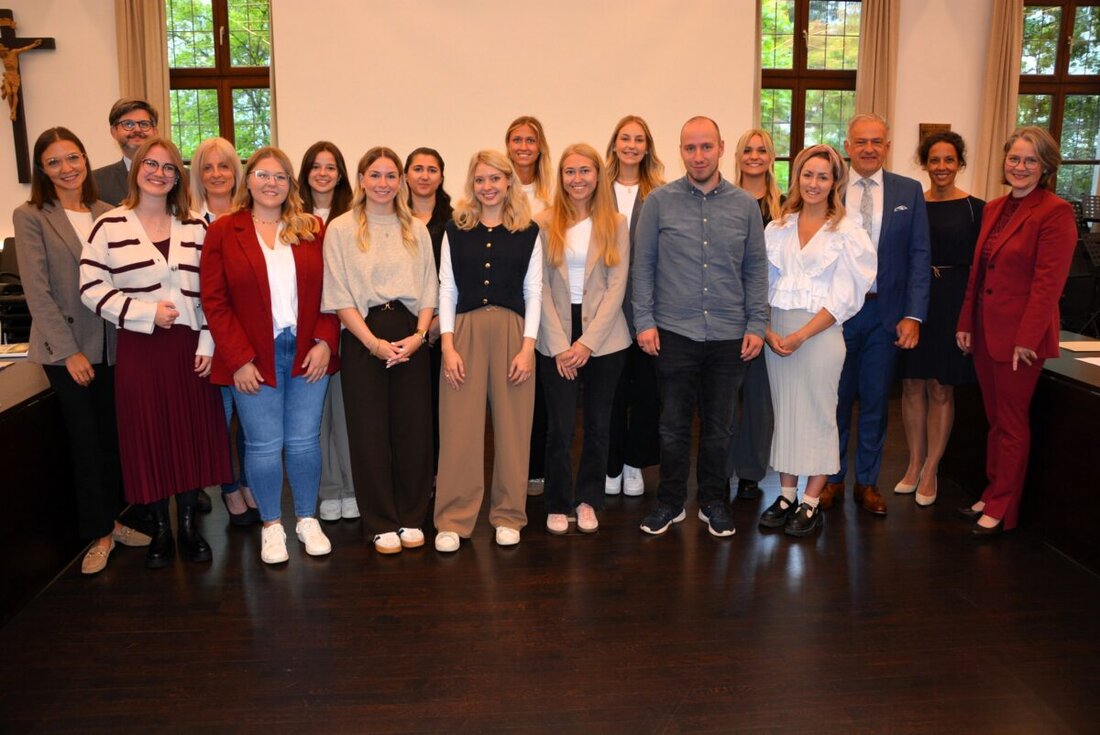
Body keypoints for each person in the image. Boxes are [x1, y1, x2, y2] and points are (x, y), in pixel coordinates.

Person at [79, 136, 229, 569]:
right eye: (151, 164)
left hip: (190, 348)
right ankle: (160, 530)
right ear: (136, 170)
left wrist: (208, 343)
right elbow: (90, 288)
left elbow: (212, 292)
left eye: (168, 167)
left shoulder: (196, 227)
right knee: (150, 437)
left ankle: (187, 526)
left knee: (188, 436)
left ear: (177, 177)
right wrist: (143, 312)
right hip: (140, 350)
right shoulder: (109, 225)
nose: (160, 173)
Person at [13, 127, 151, 575]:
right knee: (86, 442)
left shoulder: (107, 211)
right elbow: (37, 291)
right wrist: (69, 351)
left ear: (86, 161)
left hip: (114, 344)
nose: (66, 168)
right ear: (42, 170)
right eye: (54, 162)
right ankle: (99, 534)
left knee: (113, 439)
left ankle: (113, 518)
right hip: (67, 350)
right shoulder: (32, 215)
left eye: (73, 158)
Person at [201, 146, 339, 564]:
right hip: (251, 356)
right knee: (262, 446)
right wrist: (239, 358)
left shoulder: (312, 227)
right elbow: (214, 300)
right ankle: (271, 526)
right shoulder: (225, 230)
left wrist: (325, 341)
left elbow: (334, 292)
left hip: (306, 350)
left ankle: (305, 519)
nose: (271, 183)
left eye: (280, 176)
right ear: (249, 179)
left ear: (290, 184)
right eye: (263, 175)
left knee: (303, 442)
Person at [633, 116, 768, 537]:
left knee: (720, 427)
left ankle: (713, 501)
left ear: (721, 147)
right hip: (674, 332)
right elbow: (644, 266)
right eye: (689, 148)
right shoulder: (659, 202)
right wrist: (644, 320)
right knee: (672, 426)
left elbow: (756, 269)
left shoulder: (745, 206)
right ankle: (670, 502)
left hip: (730, 335)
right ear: (681, 151)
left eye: (705, 147)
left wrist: (757, 324)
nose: (698, 156)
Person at [955, 126, 1077, 536]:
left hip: (1020, 341)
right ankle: (993, 492)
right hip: (986, 330)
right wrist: (965, 322)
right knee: (995, 420)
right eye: (1014, 158)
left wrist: (1027, 337)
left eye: (1030, 161)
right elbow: (978, 271)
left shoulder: (1055, 212)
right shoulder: (994, 208)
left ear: (1044, 167)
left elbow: (1049, 283)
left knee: (1011, 422)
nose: (1020, 167)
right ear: (1004, 161)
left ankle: (1004, 506)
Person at [323, 147, 438, 555]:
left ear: (401, 181)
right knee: (369, 432)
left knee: (413, 430)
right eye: (375, 175)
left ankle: (411, 515)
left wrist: (420, 334)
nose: (383, 183)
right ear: (361, 179)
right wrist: (371, 343)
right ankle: (379, 521)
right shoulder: (340, 229)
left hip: (410, 332)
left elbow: (429, 288)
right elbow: (338, 295)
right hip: (362, 335)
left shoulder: (416, 229)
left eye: (391, 176)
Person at [758, 145, 876, 536]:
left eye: (823, 176)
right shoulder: (777, 226)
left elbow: (847, 296)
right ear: (797, 177)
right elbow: (763, 283)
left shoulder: (847, 231)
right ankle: (787, 494)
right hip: (778, 334)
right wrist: (769, 331)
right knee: (787, 413)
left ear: (835, 182)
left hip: (820, 333)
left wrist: (801, 335)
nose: (814, 183)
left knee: (820, 415)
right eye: (808, 175)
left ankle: (811, 501)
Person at [820, 113, 931, 516]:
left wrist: (913, 315)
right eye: (861, 141)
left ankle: (867, 482)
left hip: (885, 316)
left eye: (877, 142)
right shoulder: (830, 187)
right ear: (847, 146)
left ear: (887, 146)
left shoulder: (909, 191)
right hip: (835, 317)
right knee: (834, 401)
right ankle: (829, 479)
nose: (869, 148)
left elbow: (919, 256)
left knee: (874, 403)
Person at [433, 150, 541, 552]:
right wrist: (447, 344)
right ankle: (453, 518)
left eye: (495, 178)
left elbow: (535, 290)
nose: (488, 186)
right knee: (458, 427)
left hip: (514, 332)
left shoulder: (528, 231)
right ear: (471, 185)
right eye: (480, 179)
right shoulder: (455, 230)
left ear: (509, 182)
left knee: (514, 428)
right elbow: (447, 288)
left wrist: (528, 347)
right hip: (464, 331)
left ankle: (509, 515)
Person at [536, 143, 630, 534]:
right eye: (570, 171)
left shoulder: (616, 222)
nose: (577, 179)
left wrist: (587, 342)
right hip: (555, 331)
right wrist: (560, 344)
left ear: (598, 175)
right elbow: (536, 286)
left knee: (598, 423)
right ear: (561, 177)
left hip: (605, 338)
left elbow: (617, 284)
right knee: (559, 426)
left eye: (585, 171)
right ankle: (558, 502)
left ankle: (589, 498)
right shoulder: (543, 222)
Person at [896, 132, 984, 507]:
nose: (942, 167)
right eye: (935, 160)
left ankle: (933, 467)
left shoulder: (976, 208)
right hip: (915, 299)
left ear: (960, 163)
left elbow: (981, 268)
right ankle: (914, 462)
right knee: (912, 383)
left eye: (949, 160)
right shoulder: (914, 202)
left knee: (941, 387)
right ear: (924, 164)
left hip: (953, 300)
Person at [189, 136, 258, 526]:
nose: (217, 174)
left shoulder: (252, 217)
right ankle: (229, 487)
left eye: (224, 166)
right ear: (198, 175)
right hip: (206, 339)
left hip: (246, 339)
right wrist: (208, 340)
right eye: (208, 167)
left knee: (251, 421)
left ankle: (248, 482)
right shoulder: (185, 221)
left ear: (237, 173)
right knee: (219, 420)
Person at [603, 114, 665, 498]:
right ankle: (610, 463)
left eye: (638, 139)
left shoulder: (659, 192)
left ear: (647, 147)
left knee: (646, 392)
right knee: (609, 392)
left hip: (646, 305)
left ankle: (633, 464)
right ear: (614, 144)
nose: (630, 145)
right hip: (606, 307)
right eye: (624, 138)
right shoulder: (596, 190)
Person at [299, 141, 357, 523]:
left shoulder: (354, 217)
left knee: (346, 413)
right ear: (305, 174)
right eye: (316, 166)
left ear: (341, 174)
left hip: (347, 325)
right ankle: (329, 489)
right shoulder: (291, 217)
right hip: (308, 328)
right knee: (315, 417)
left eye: (331, 167)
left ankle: (352, 488)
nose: (323, 173)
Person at [727, 128, 783, 502]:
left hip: (770, 312)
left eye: (762, 149)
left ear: (771, 157)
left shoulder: (786, 206)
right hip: (728, 310)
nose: (754, 156)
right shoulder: (725, 200)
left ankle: (750, 472)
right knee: (725, 396)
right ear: (737, 156)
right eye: (747, 149)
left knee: (760, 400)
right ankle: (722, 467)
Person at [505, 115, 551, 495]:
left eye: (530, 140)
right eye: (516, 140)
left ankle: (536, 467)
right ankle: (507, 470)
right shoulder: (496, 189)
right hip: (506, 302)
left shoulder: (552, 193)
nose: (523, 146)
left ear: (539, 147)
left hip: (543, 298)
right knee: (508, 391)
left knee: (541, 393)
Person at [405, 146, 454, 478]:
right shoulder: (392, 217)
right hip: (404, 324)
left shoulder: (456, 221)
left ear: (441, 176)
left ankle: (440, 473)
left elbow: (460, 274)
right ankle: (413, 472)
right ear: (406, 175)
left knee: (441, 405)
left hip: (444, 325)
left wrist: (439, 322)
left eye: (431, 169)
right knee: (411, 405)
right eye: (418, 169)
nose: (424, 176)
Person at [91, 97, 158, 207]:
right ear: (114, 132)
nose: (137, 129)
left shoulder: (181, 178)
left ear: (155, 132)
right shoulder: (95, 182)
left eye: (144, 124)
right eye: (128, 124)